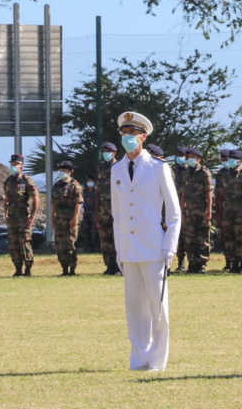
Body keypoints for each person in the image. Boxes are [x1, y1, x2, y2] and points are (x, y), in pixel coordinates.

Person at [111, 111, 181, 371]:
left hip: (154, 247)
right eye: (124, 133)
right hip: (129, 249)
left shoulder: (159, 168)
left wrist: (169, 246)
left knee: (158, 307)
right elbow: (118, 214)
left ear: (143, 136)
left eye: (132, 134)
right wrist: (119, 250)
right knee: (134, 307)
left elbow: (174, 213)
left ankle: (157, 360)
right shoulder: (116, 169)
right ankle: (139, 358)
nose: (127, 138)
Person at [218, 149, 242, 274]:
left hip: (241, 212)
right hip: (228, 211)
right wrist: (219, 211)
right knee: (229, 238)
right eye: (230, 159)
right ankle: (233, 262)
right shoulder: (225, 175)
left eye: (234, 159)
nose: (231, 161)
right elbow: (221, 193)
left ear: (240, 161)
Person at [3, 154, 39, 277]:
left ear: (21, 166)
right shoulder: (9, 181)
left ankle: (28, 269)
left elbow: (36, 199)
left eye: (15, 165)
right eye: (12, 164)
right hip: (12, 217)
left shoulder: (27, 181)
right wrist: (6, 213)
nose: (13, 167)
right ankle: (18, 268)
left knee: (24, 242)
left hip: (23, 216)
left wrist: (32, 216)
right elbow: (6, 199)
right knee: (13, 243)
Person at [181, 148, 214, 274]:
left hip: (201, 209)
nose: (190, 159)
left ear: (199, 159)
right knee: (189, 237)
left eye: (193, 157)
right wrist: (181, 209)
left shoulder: (204, 172)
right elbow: (183, 192)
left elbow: (209, 192)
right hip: (189, 210)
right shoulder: (185, 172)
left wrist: (209, 211)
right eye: (189, 156)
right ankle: (192, 262)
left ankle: (202, 264)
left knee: (202, 237)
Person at [52, 161, 83, 276]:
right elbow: (53, 202)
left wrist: (75, 218)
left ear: (70, 172)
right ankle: (64, 269)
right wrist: (51, 217)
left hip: (69, 219)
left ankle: (72, 269)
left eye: (64, 171)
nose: (62, 173)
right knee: (60, 244)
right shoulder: (57, 185)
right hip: (59, 219)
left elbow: (78, 204)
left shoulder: (75, 186)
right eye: (60, 171)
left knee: (70, 243)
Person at [96, 142, 120, 276]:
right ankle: (109, 265)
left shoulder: (120, 166)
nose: (106, 153)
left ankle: (117, 266)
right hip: (104, 208)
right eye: (104, 151)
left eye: (109, 151)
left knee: (117, 237)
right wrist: (97, 210)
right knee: (105, 238)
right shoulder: (100, 167)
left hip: (116, 207)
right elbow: (98, 190)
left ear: (114, 153)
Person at [215, 149, 234, 271]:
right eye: (222, 159)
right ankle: (228, 261)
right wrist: (218, 211)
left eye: (226, 159)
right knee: (225, 237)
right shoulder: (220, 174)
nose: (224, 161)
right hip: (225, 210)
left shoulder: (241, 173)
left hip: (239, 210)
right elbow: (219, 194)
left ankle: (239, 262)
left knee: (239, 237)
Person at [173, 146, 189, 272]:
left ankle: (193, 263)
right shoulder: (172, 170)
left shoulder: (190, 170)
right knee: (177, 237)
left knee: (188, 235)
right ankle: (181, 263)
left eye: (181, 155)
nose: (179, 157)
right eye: (177, 154)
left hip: (188, 207)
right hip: (173, 206)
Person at [79, 175, 99, 253]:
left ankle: (96, 248)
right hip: (86, 213)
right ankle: (87, 248)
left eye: (91, 181)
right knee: (85, 231)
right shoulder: (84, 191)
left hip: (94, 212)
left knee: (95, 231)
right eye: (88, 181)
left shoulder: (96, 191)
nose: (89, 182)